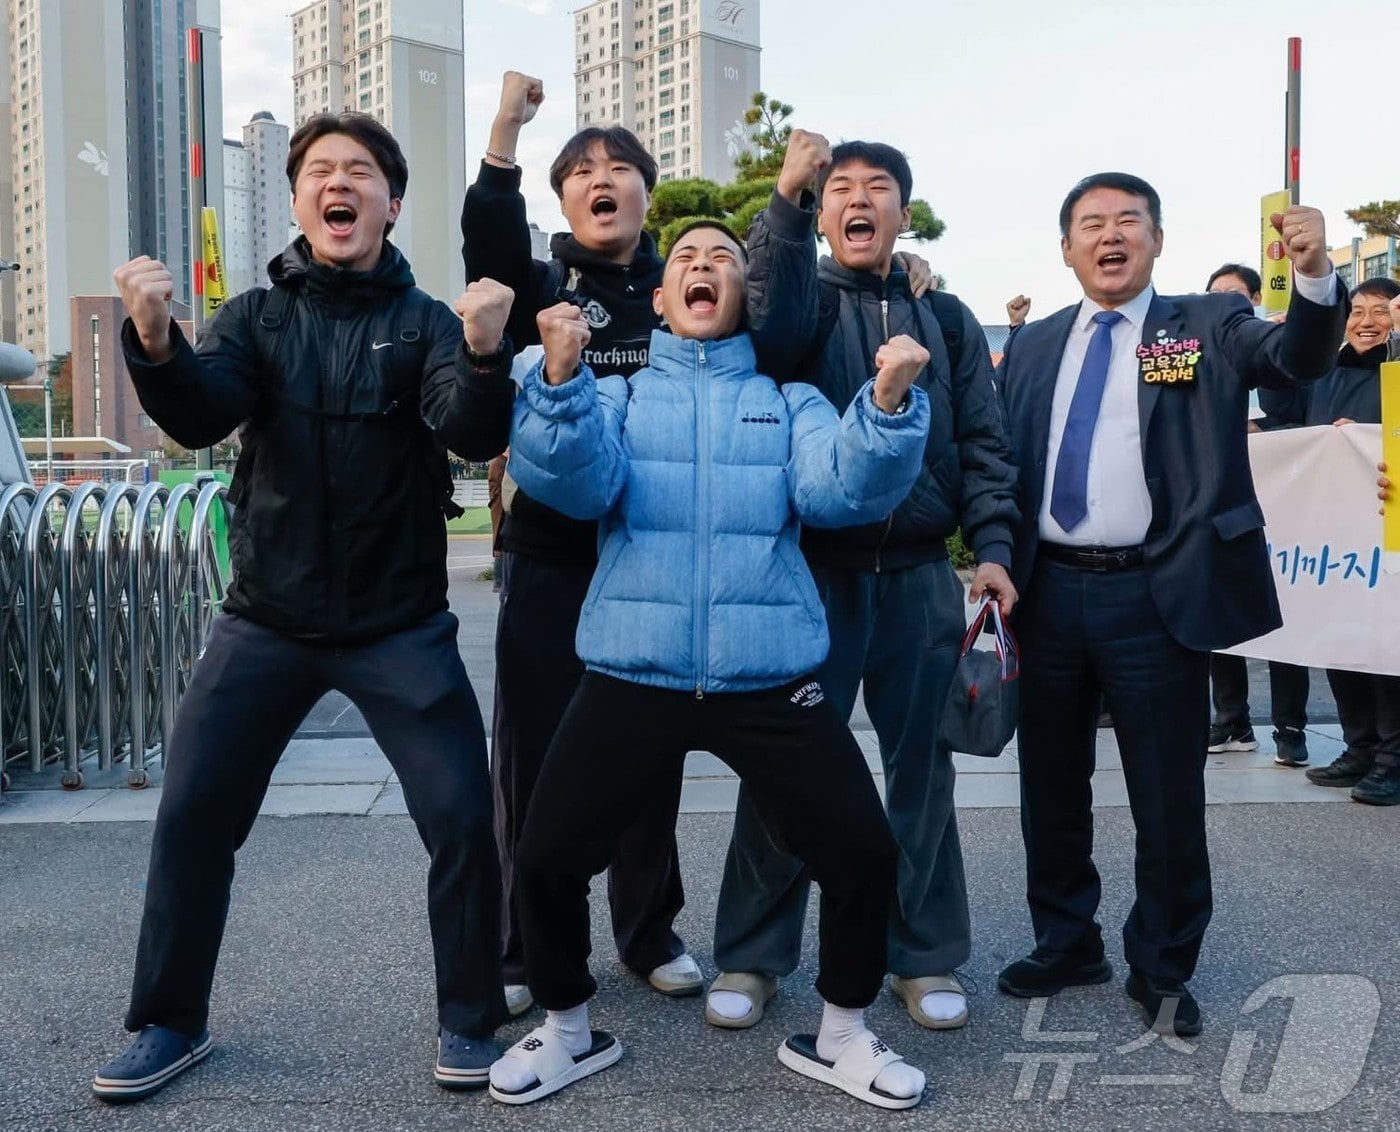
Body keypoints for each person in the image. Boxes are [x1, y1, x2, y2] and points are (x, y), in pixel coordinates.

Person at [93, 112, 516, 1101]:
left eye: (360, 172)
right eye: (321, 171)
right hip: (265, 620)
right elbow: (199, 410)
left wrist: (487, 352)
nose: (340, 184)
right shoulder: (255, 318)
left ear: (389, 203)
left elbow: (464, 424)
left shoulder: (424, 324)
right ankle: (167, 1020)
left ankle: (469, 1017)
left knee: (460, 816)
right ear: (297, 202)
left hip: (399, 625)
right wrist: (154, 338)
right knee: (195, 812)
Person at [488, 220, 932, 1110]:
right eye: (685, 258)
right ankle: (570, 1028)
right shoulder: (615, 397)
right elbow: (574, 485)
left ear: (742, 296)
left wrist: (885, 405)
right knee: (544, 856)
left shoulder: (790, 400)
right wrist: (564, 378)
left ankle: (840, 1031)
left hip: (767, 671)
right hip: (631, 667)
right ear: (660, 298)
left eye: (722, 258)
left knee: (862, 851)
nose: (702, 266)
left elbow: (838, 490)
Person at [994, 172, 1344, 1037]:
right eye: (1091, 224)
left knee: (1167, 796)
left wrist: (1314, 278)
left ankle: (1163, 963)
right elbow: (1002, 462)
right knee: (1050, 788)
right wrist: (994, 557)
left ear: (1156, 239)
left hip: (1159, 591)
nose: (1110, 237)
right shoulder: (1034, 345)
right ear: (1066, 246)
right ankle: (1067, 939)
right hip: (1048, 592)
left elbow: (1293, 357)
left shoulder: (1204, 324)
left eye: (1128, 222)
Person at [710, 134, 1019, 1035]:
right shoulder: (798, 310)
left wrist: (991, 546)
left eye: (876, 187)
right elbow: (764, 317)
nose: (858, 199)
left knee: (921, 776)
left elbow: (984, 447)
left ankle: (920, 959)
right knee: (784, 773)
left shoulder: (947, 317)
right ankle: (753, 956)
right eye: (839, 187)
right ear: (822, 208)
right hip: (811, 575)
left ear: (901, 210)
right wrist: (784, 198)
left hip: (922, 577)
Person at [461, 72, 700, 1012]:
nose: (603, 181)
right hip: (553, 557)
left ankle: (648, 933)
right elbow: (486, 240)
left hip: (650, 555)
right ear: (563, 199)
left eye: (621, 168)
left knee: (649, 752)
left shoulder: (679, 286)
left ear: (647, 190)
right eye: (584, 172)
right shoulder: (538, 284)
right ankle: (522, 947)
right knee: (530, 758)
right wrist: (506, 135)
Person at [1270, 276, 1400, 806]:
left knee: (1384, 644)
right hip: (1333, 532)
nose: (1367, 321)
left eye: (1380, 312)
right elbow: (1286, 421)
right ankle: (1359, 746)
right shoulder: (1324, 370)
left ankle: (1393, 757)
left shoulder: (1395, 371)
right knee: (1340, 638)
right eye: (1357, 310)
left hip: (1385, 527)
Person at [1202, 263, 1312, 767]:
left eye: (1235, 296)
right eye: (1215, 294)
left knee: (1284, 625)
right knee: (1218, 620)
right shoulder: (1194, 358)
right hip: (1220, 514)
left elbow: (1307, 420)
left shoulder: (1277, 352)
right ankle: (1232, 720)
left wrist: (1264, 434)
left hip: (1287, 512)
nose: (1224, 304)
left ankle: (1291, 729)